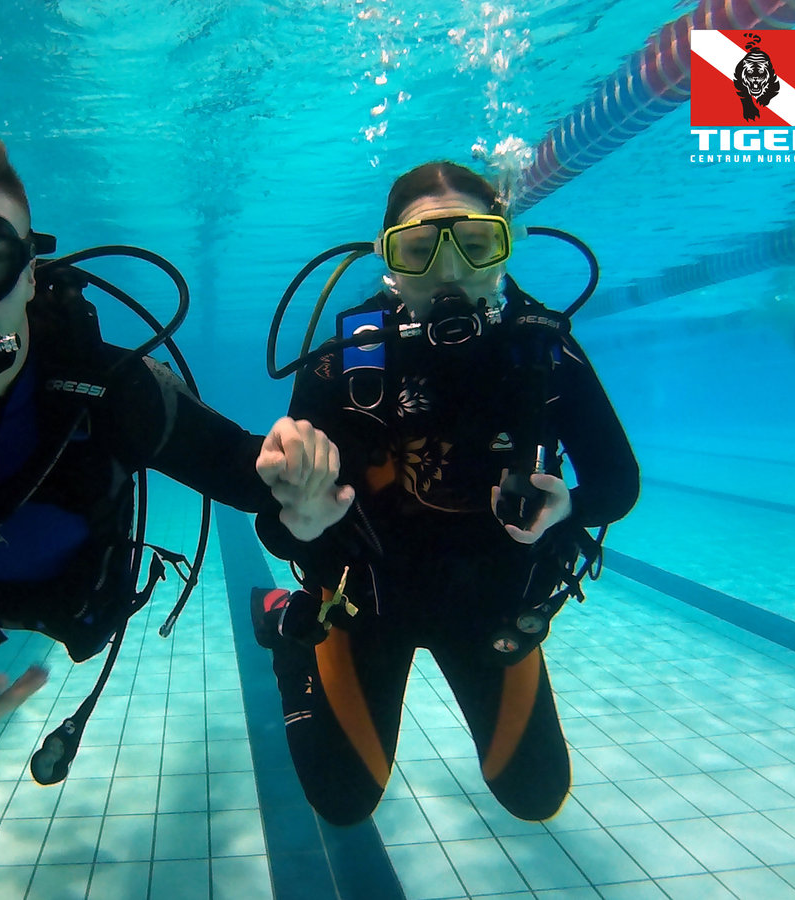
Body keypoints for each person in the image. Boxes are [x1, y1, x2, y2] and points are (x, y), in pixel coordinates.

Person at [0, 131, 351, 737]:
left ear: (30, 274)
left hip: (77, 600)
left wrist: (298, 488)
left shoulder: (113, 388)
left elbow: (247, 473)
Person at [253, 161, 640, 826]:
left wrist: (568, 506)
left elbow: (617, 483)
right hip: (365, 604)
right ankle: (288, 632)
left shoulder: (543, 352)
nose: (450, 270)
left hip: (493, 607)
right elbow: (275, 527)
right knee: (343, 802)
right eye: (419, 249)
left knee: (536, 795)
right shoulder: (341, 366)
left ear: (504, 251)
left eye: (476, 244)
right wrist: (303, 521)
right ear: (389, 265)